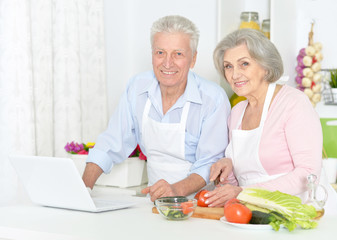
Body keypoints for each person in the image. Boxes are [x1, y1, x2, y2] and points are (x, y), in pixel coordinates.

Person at [82, 15, 231, 202]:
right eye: (160, 53)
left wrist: (174, 190)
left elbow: (209, 164)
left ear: (193, 59)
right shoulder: (137, 87)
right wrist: (83, 189)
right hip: (153, 202)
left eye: (178, 54)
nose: (167, 63)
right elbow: (110, 143)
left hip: (199, 204)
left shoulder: (213, 99)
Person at [205, 28, 337, 215]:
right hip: (256, 214)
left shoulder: (293, 103)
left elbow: (309, 174)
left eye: (244, 64)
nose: (234, 75)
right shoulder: (237, 112)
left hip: (302, 212)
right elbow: (243, 181)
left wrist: (243, 193)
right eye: (228, 66)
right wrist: (228, 170)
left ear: (265, 66)